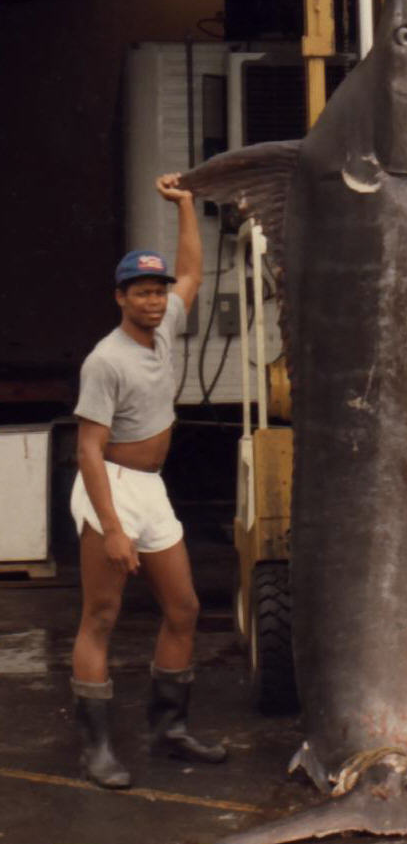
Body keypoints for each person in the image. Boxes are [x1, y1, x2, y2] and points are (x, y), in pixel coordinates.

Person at [69, 173, 226, 789]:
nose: (156, 300)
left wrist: (186, 205)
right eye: (142, 292)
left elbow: (192, 273)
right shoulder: (105, 360)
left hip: (152, 487)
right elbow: (87, 448)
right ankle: (98, 748)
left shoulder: (166, 326)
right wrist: (112, 528)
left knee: (184, 607)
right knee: (101, 615)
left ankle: (169, 731)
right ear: (120, 297)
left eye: (158, 292)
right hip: (110, 485)